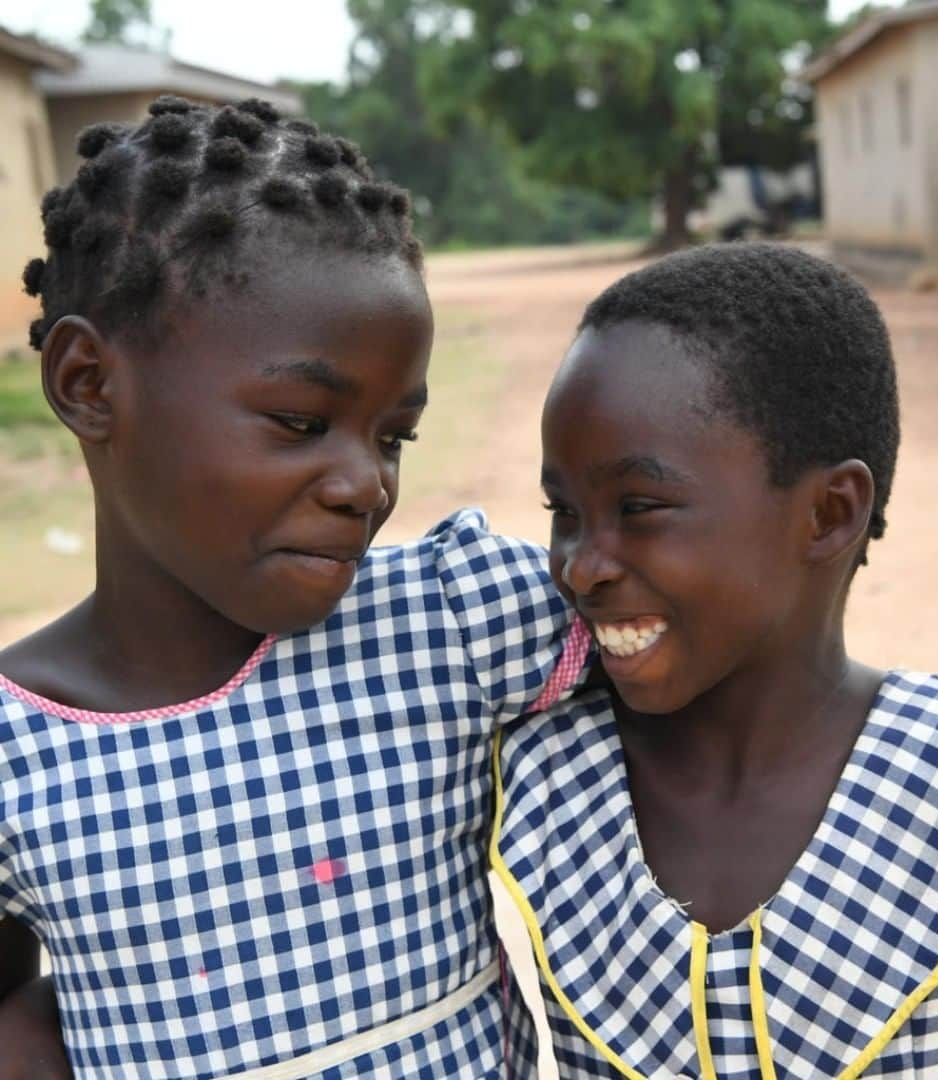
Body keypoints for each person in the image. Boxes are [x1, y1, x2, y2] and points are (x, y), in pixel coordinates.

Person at [0, 95, 590, 1078]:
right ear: (89, 385)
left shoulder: (446, 622)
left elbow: (691, 645)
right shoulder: (17, 749)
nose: (368, 484)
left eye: (393, 435)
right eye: (300, 421)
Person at [493, 243, 938, 1078]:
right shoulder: (551, 775)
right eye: (565, 513)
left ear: (830, 513)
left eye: (640, 506)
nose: (582, 565)